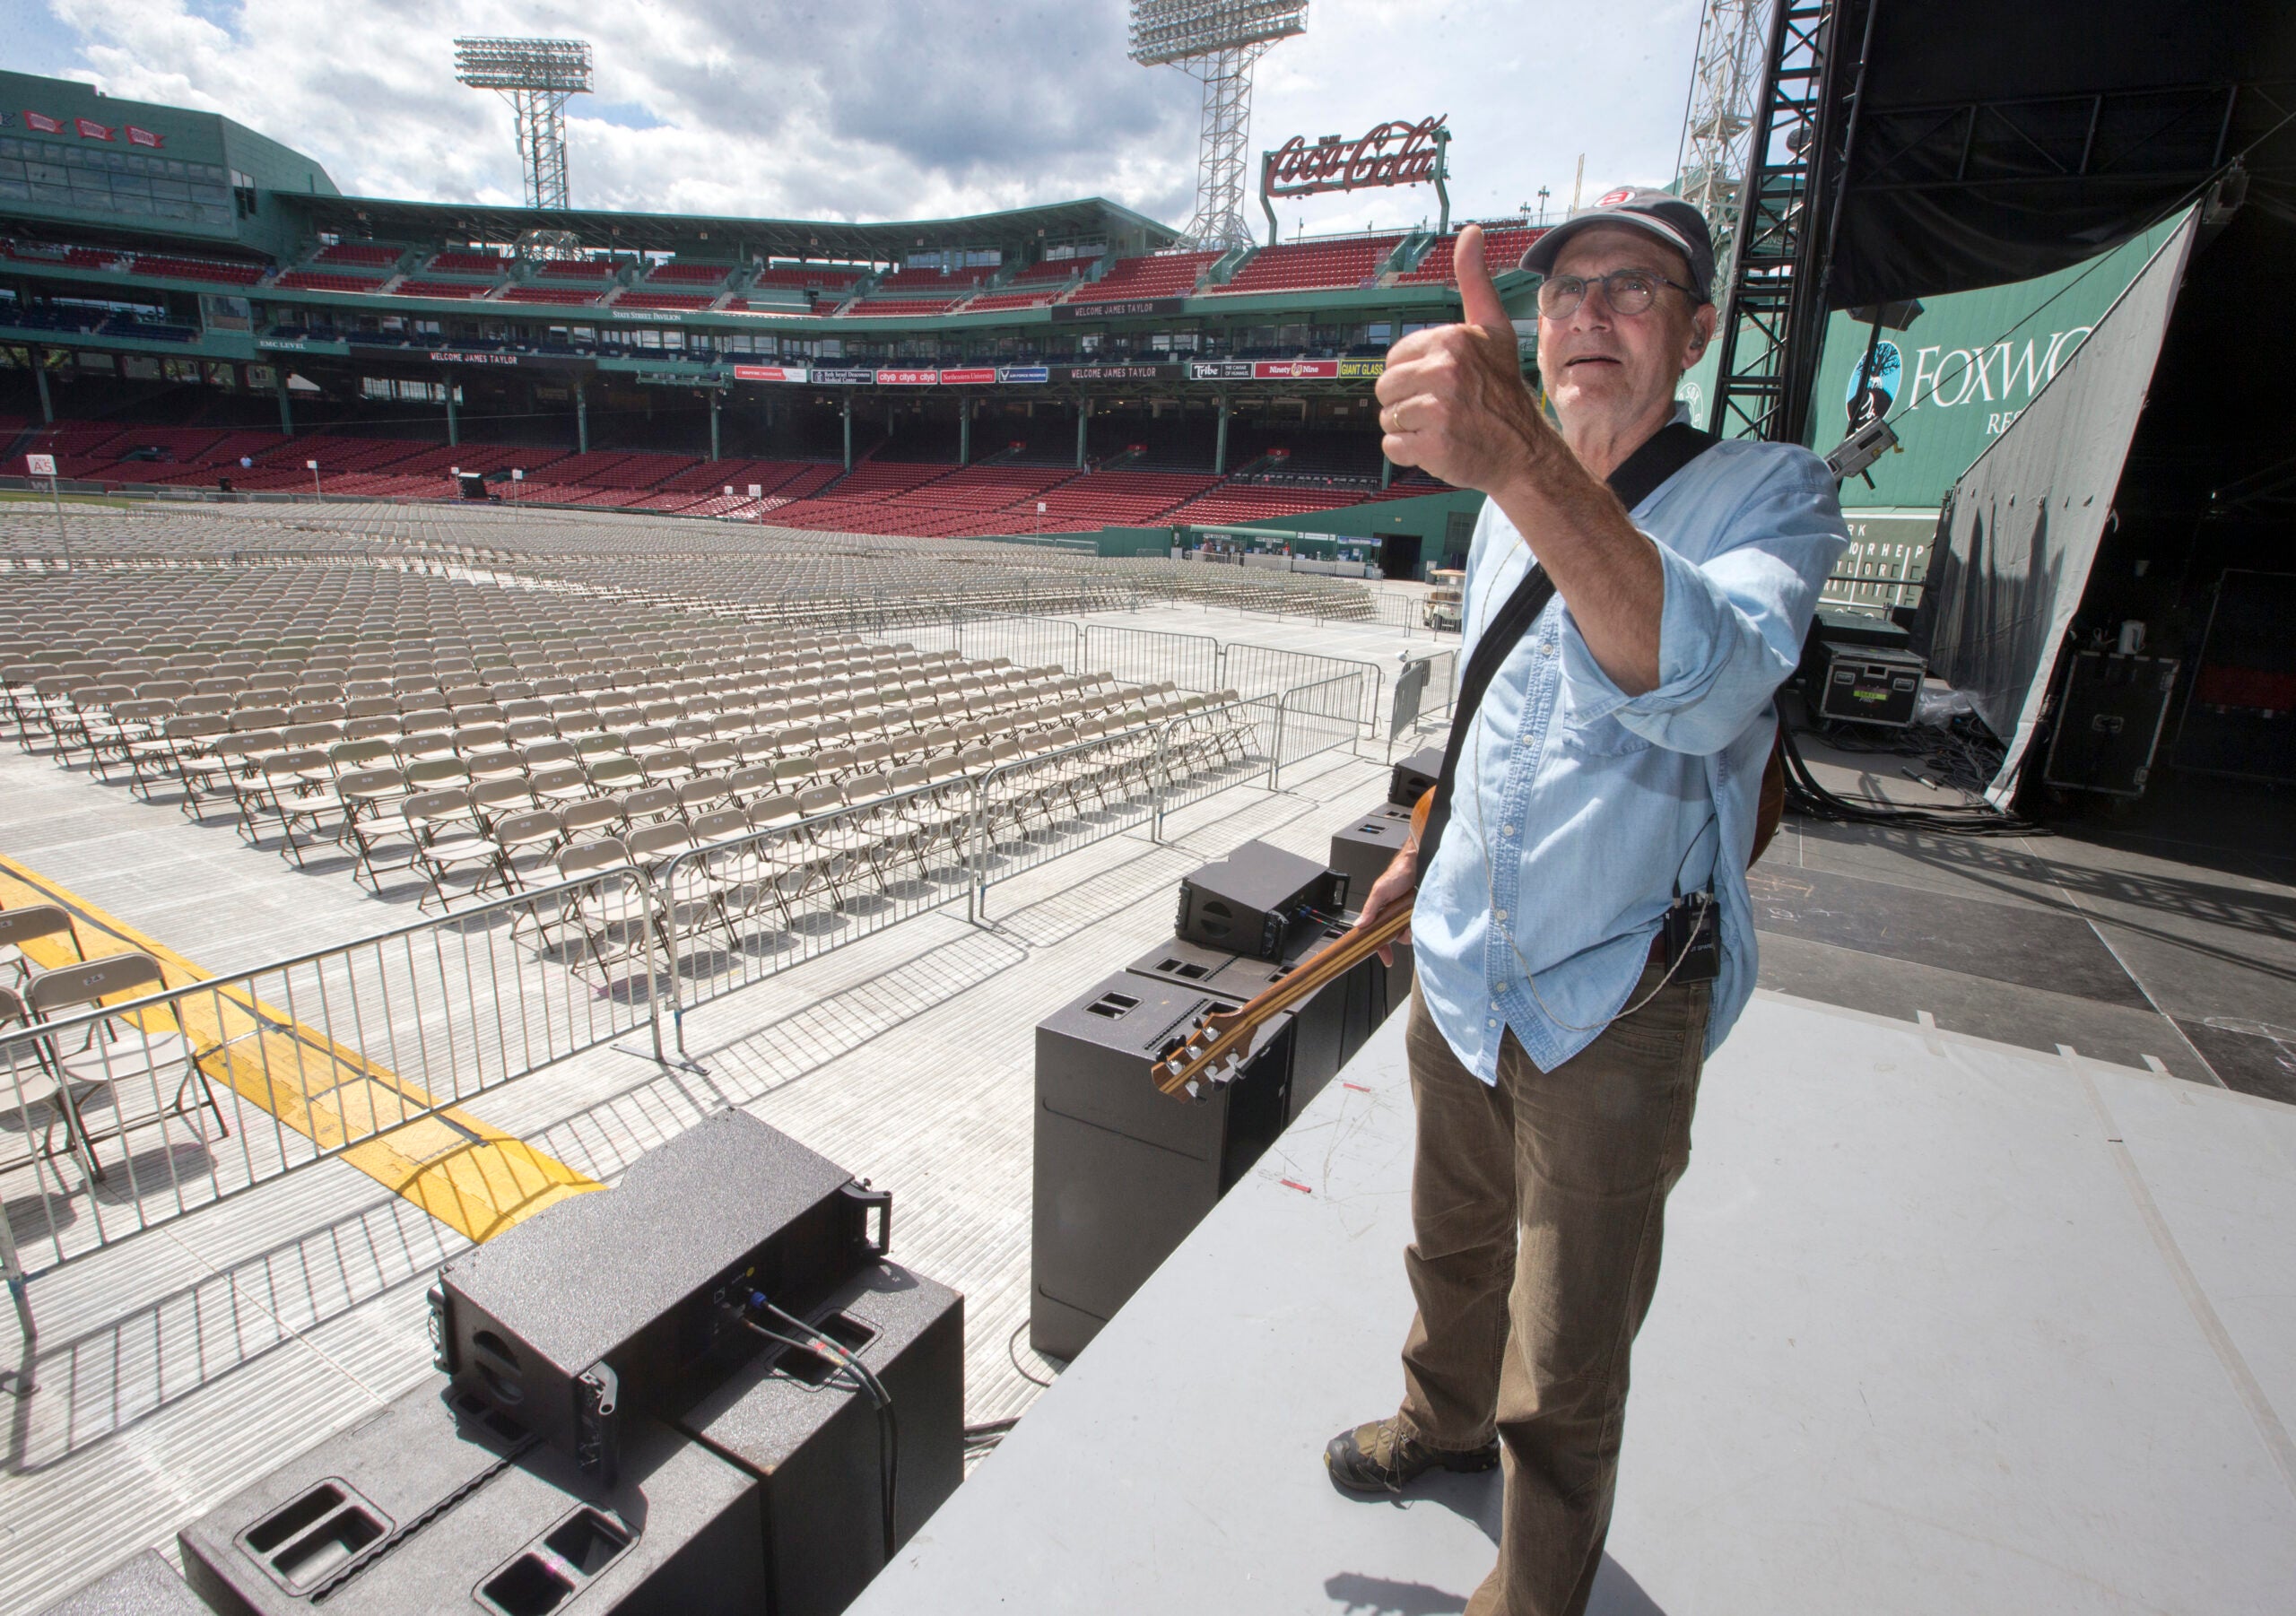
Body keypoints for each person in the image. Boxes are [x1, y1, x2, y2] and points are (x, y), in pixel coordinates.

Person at [1325, 191, 1848, 1616]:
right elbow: (1497, 699)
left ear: (1696, 330)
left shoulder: (1773, 492)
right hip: (1467, 965)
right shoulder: (1512, 497)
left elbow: (1705, 679)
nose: (1587, 315)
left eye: (1631, 289)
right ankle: (1437, 1421)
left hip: (1616, 996)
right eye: (1564, 291)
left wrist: (1518, 459)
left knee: (1566, 1353)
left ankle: (1535, 1589)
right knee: (1452, 1239)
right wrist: (1423, 841)